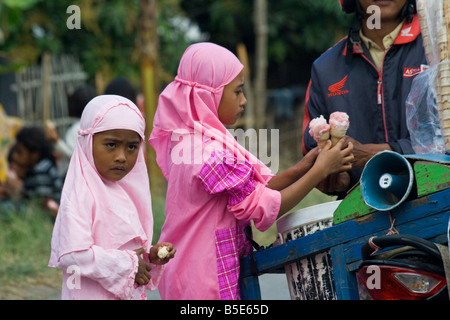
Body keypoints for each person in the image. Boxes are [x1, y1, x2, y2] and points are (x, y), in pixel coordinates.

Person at [149, 42, 353, 300]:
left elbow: (256, 187)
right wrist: (320, 171)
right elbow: (264, 207)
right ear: (207, 95)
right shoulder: (208, 155)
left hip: (190, 273)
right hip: (203, 282)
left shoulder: (194, 140)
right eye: (237, 91)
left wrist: (305, 167)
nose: (244, 100)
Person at [49, 95, 175, 300]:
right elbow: (72, 255)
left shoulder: (126, 192)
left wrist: (150, 256)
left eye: (132, 147)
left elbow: (124, 249)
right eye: (111, 145)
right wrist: (128, 264)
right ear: (88, 141)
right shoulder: (81, 194)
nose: (121, 156)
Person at [302, 0, 425, 197]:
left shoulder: (439, 47)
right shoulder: (325, 68)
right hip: (363, 215)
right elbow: (311, 152)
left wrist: (375, 155)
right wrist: (340, 179)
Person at [9, 126, 63, 216]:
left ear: (34, 154)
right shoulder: (32, 170)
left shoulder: (41, 170)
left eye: (19, 152)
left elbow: (42, 203)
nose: (15, 156)